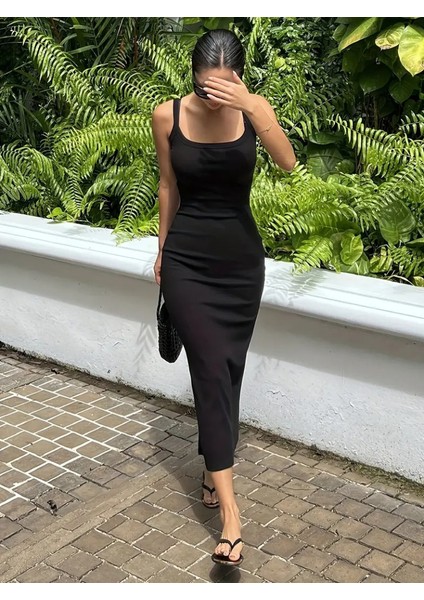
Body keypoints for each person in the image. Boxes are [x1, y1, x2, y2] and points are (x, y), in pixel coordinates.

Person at [152, 28, 296, 567]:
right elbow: (168, 185)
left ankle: (212, 469)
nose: (213, 96)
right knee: (211, 369)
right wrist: (162, 252)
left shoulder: (254, 111)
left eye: (223, 86)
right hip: (188, 263)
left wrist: (253, 106)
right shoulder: (167, 115)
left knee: (227, 370)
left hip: (240, 264)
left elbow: (288, 161)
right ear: (192, 76)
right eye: (204, 86)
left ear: (238, 77)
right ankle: (231, 518)